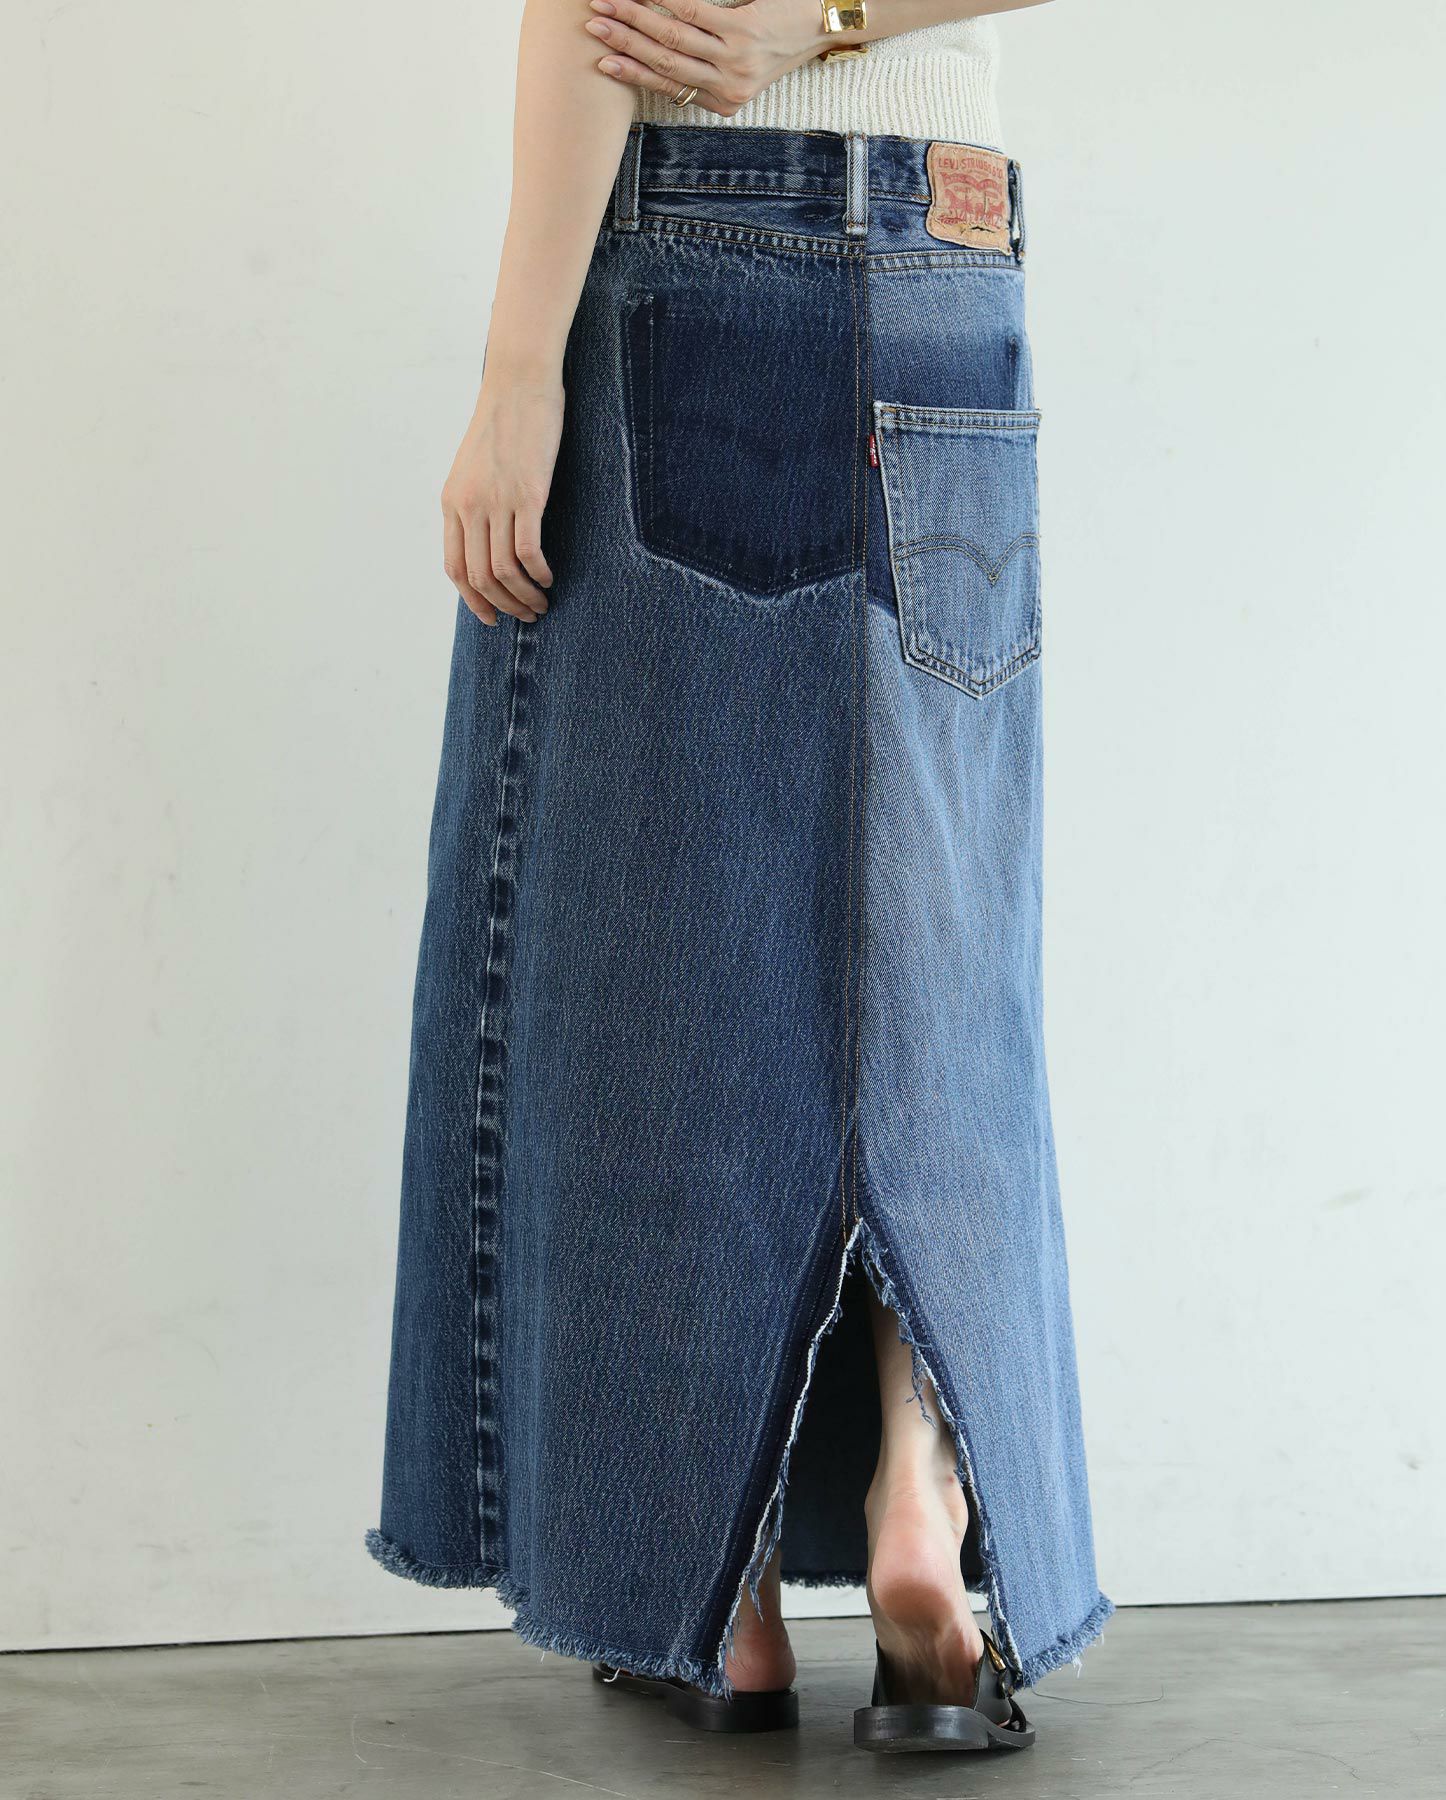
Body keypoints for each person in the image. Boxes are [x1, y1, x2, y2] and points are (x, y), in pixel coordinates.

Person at [367, 0, 1112, 1755]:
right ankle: (921, 1508)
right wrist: (841, 17)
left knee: (666, 969)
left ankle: (731, 1603)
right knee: (937, 962)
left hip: (696, 249)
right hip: (950, 253)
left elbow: (593, 16)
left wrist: (517, 375)